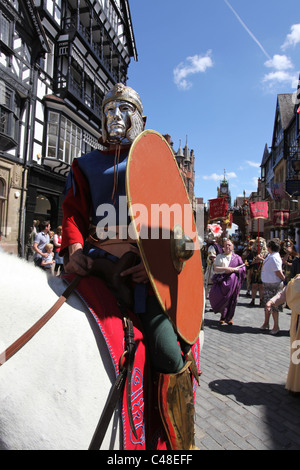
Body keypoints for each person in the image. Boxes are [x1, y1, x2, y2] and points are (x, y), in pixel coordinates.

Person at [60, 83, 198, 450]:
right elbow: (73, 213)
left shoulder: (157, 162)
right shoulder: (84, 165)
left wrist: (158, 265)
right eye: (108, 110)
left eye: (124, 110)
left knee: (168, 353)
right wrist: (74, 248)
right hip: (95, 265)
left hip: (144, 280)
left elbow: (183, 231)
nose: (114, 117)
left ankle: (183, 445)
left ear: (141, 119)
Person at [265, 274, 300, 394]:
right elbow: (284, 293)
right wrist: (271, 301)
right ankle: (296, 384)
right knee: (297, 353)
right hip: (298, 323)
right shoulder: (297, 279)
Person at [209, 239, 246, 325]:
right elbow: (215, 268)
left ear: (233, 247)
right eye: (226, 245)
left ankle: (229, 317)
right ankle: (222, 316)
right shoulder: (219, 257)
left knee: (231, 300)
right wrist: (226, 269)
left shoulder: (237, 258)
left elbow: (243, 268)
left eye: (229, 245)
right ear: (223, 247)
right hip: (221, 282)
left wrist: (234, 270)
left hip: (233, 284)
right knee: (222, 299)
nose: (227, 247)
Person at [258, 238, 285, 335]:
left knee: (274, 306)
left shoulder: (274, 257)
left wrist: (283, 278)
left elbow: (278, 271)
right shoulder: (271, 255)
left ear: (270, 247)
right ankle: (266, 323)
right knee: (267, 305)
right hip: (268, 283)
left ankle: (276, 326)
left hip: (274, 284)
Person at [204, 223, 223, 305]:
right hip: (217, 268)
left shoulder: (212, 247)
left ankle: (205, 303)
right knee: (214, 287)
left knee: (207, 287)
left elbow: (213, 258)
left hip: (212, 268)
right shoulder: (218, 246)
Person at [247, 237, 268, 307]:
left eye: (261, 245)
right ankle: (253, 299)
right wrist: (254, 261)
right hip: (254, 271)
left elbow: (269, 262)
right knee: (254, 286)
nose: (260, 247)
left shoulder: (266, 253)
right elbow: (248, 262)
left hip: (263, 271)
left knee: (261, 286)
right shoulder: (253, 253)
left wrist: (261, 259)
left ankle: (261, 300)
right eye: (258, 245)